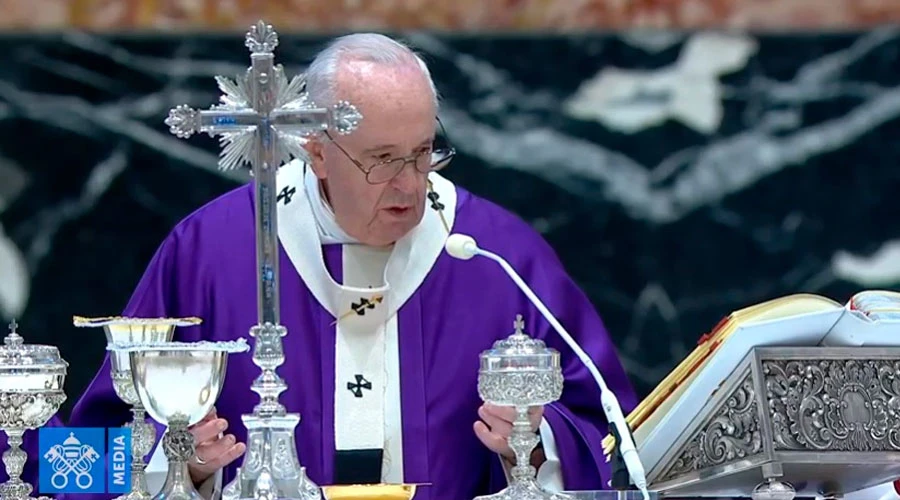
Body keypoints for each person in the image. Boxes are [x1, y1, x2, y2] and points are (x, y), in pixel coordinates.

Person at [64, 33, 637, 500]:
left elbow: (617, 436)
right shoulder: (209, 251)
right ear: (315, 150)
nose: (411, 186)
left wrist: (536, 446)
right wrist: (182, 466)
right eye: (383, 160)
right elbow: (85, 456)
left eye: (423, 152)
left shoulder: (494, 252)